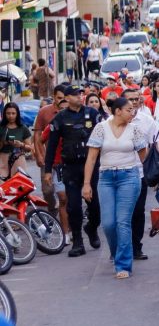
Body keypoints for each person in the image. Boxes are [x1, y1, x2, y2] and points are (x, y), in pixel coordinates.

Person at [83, 97, 148, 279]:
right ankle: (116, 251)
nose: (132, 112)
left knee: (123, 221)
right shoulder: (101, 128)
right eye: (129, 109)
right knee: (109, 223)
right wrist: (87, 184)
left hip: (129, 176)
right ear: (117, 111)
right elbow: (91, 158)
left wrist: (152, 179)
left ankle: (123, 265)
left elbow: (145, 156)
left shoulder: (134, 129)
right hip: (106, 178)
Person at [44, 85, 104, 257]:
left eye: (80, 94)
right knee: (74, 206)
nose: (80, 97)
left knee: (94, 205)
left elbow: (103, 137)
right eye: (76, 95)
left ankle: (92, 228)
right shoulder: (61, 118)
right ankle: (77, 241)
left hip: (90, 165)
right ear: (67, 98)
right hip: (70, 166)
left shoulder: (92, 114)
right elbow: (52, 145)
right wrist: (48, 170)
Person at [123, 89, 157, 261]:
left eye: (136, 99)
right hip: (119, 173)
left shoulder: (147, 121)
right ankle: (121, 247)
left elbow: (156, 143)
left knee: (137, 211)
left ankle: (136, 247)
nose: (134, 102)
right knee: (121, 213)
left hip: (140, 172)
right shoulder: (109, 122)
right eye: (130, 99)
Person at [34, 84, 67, 218]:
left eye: (65, 98)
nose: (62, 101)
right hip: (48, 157)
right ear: (54, 97)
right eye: (59, 98)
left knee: (65, 193)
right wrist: (39, 155)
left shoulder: (71, 111)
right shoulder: (44, 111)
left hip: (66, 160)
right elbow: (37, 134)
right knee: (47, 190)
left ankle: (66, 216)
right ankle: (52, 211)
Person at [41, 98, 71, 243]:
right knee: (63, 199)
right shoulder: (53, 125)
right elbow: (41, 140)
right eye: (62, 109)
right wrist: (43, 159)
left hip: (75, 167)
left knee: (74, 200)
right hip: (58, 167)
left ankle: (73, 229)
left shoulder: (78, 123)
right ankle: (66, 234)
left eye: (68, 108)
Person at [0, 103, 33, 179]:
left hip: (18, 160)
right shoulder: (1, 128)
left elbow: (29, 148)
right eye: (8, 113)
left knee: (18, 186)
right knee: (2, 186)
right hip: (2, 160)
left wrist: (21, 144)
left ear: (17, 114)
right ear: (4, 114)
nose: (10, 116)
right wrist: (3, 142)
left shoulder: (23, 128)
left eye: (13, 113)